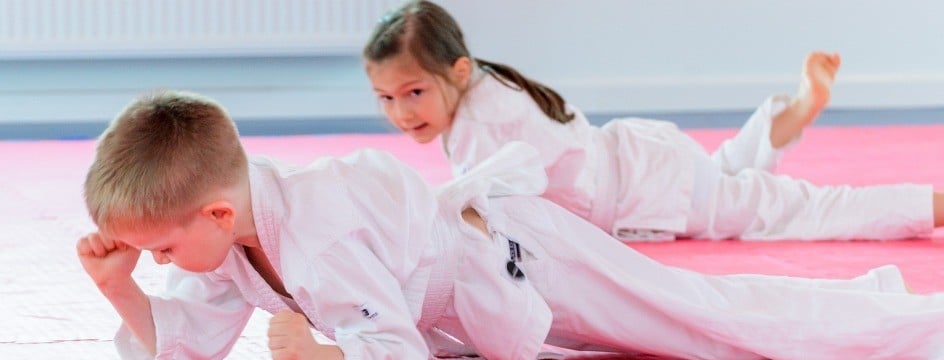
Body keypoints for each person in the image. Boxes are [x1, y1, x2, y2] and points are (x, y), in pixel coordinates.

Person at [77, 90, 944, 360]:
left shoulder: (320, 227)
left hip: (523, 253)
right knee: (705, 319)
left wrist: (328, 358)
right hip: (495, 283)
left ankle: (919, 326)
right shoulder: (233, 238)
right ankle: (871, 303)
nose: (162, 266)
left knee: (713, 329)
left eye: (159, 251)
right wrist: (121, 289)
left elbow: (394, 348)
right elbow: (189, 342)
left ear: (216, 215)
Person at [363, 1, 944, 242]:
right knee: (728, 178)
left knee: (801, 211)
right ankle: (795, 112)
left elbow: (486, 213)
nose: (401, 112)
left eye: (413, 92)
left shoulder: (482, 124)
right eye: (385, 99)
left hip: (650, 190)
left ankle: (932, 204)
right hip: (648, 159)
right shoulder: (488, 86)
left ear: (457, 71)